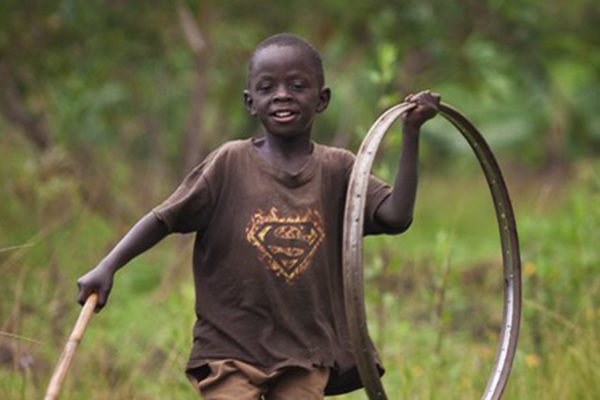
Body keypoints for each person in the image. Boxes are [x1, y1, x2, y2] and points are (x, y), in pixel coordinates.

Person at [76, 33, 440, 399]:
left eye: (297, 85)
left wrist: (411, 133)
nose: (282, 94)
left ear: (322, 99)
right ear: (251, 103)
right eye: (268, 87)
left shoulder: (339, 169)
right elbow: (162, 219)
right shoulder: (228, 163)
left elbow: (396, 217)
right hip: (230, 348)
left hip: (305, 352)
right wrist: (108, 266)